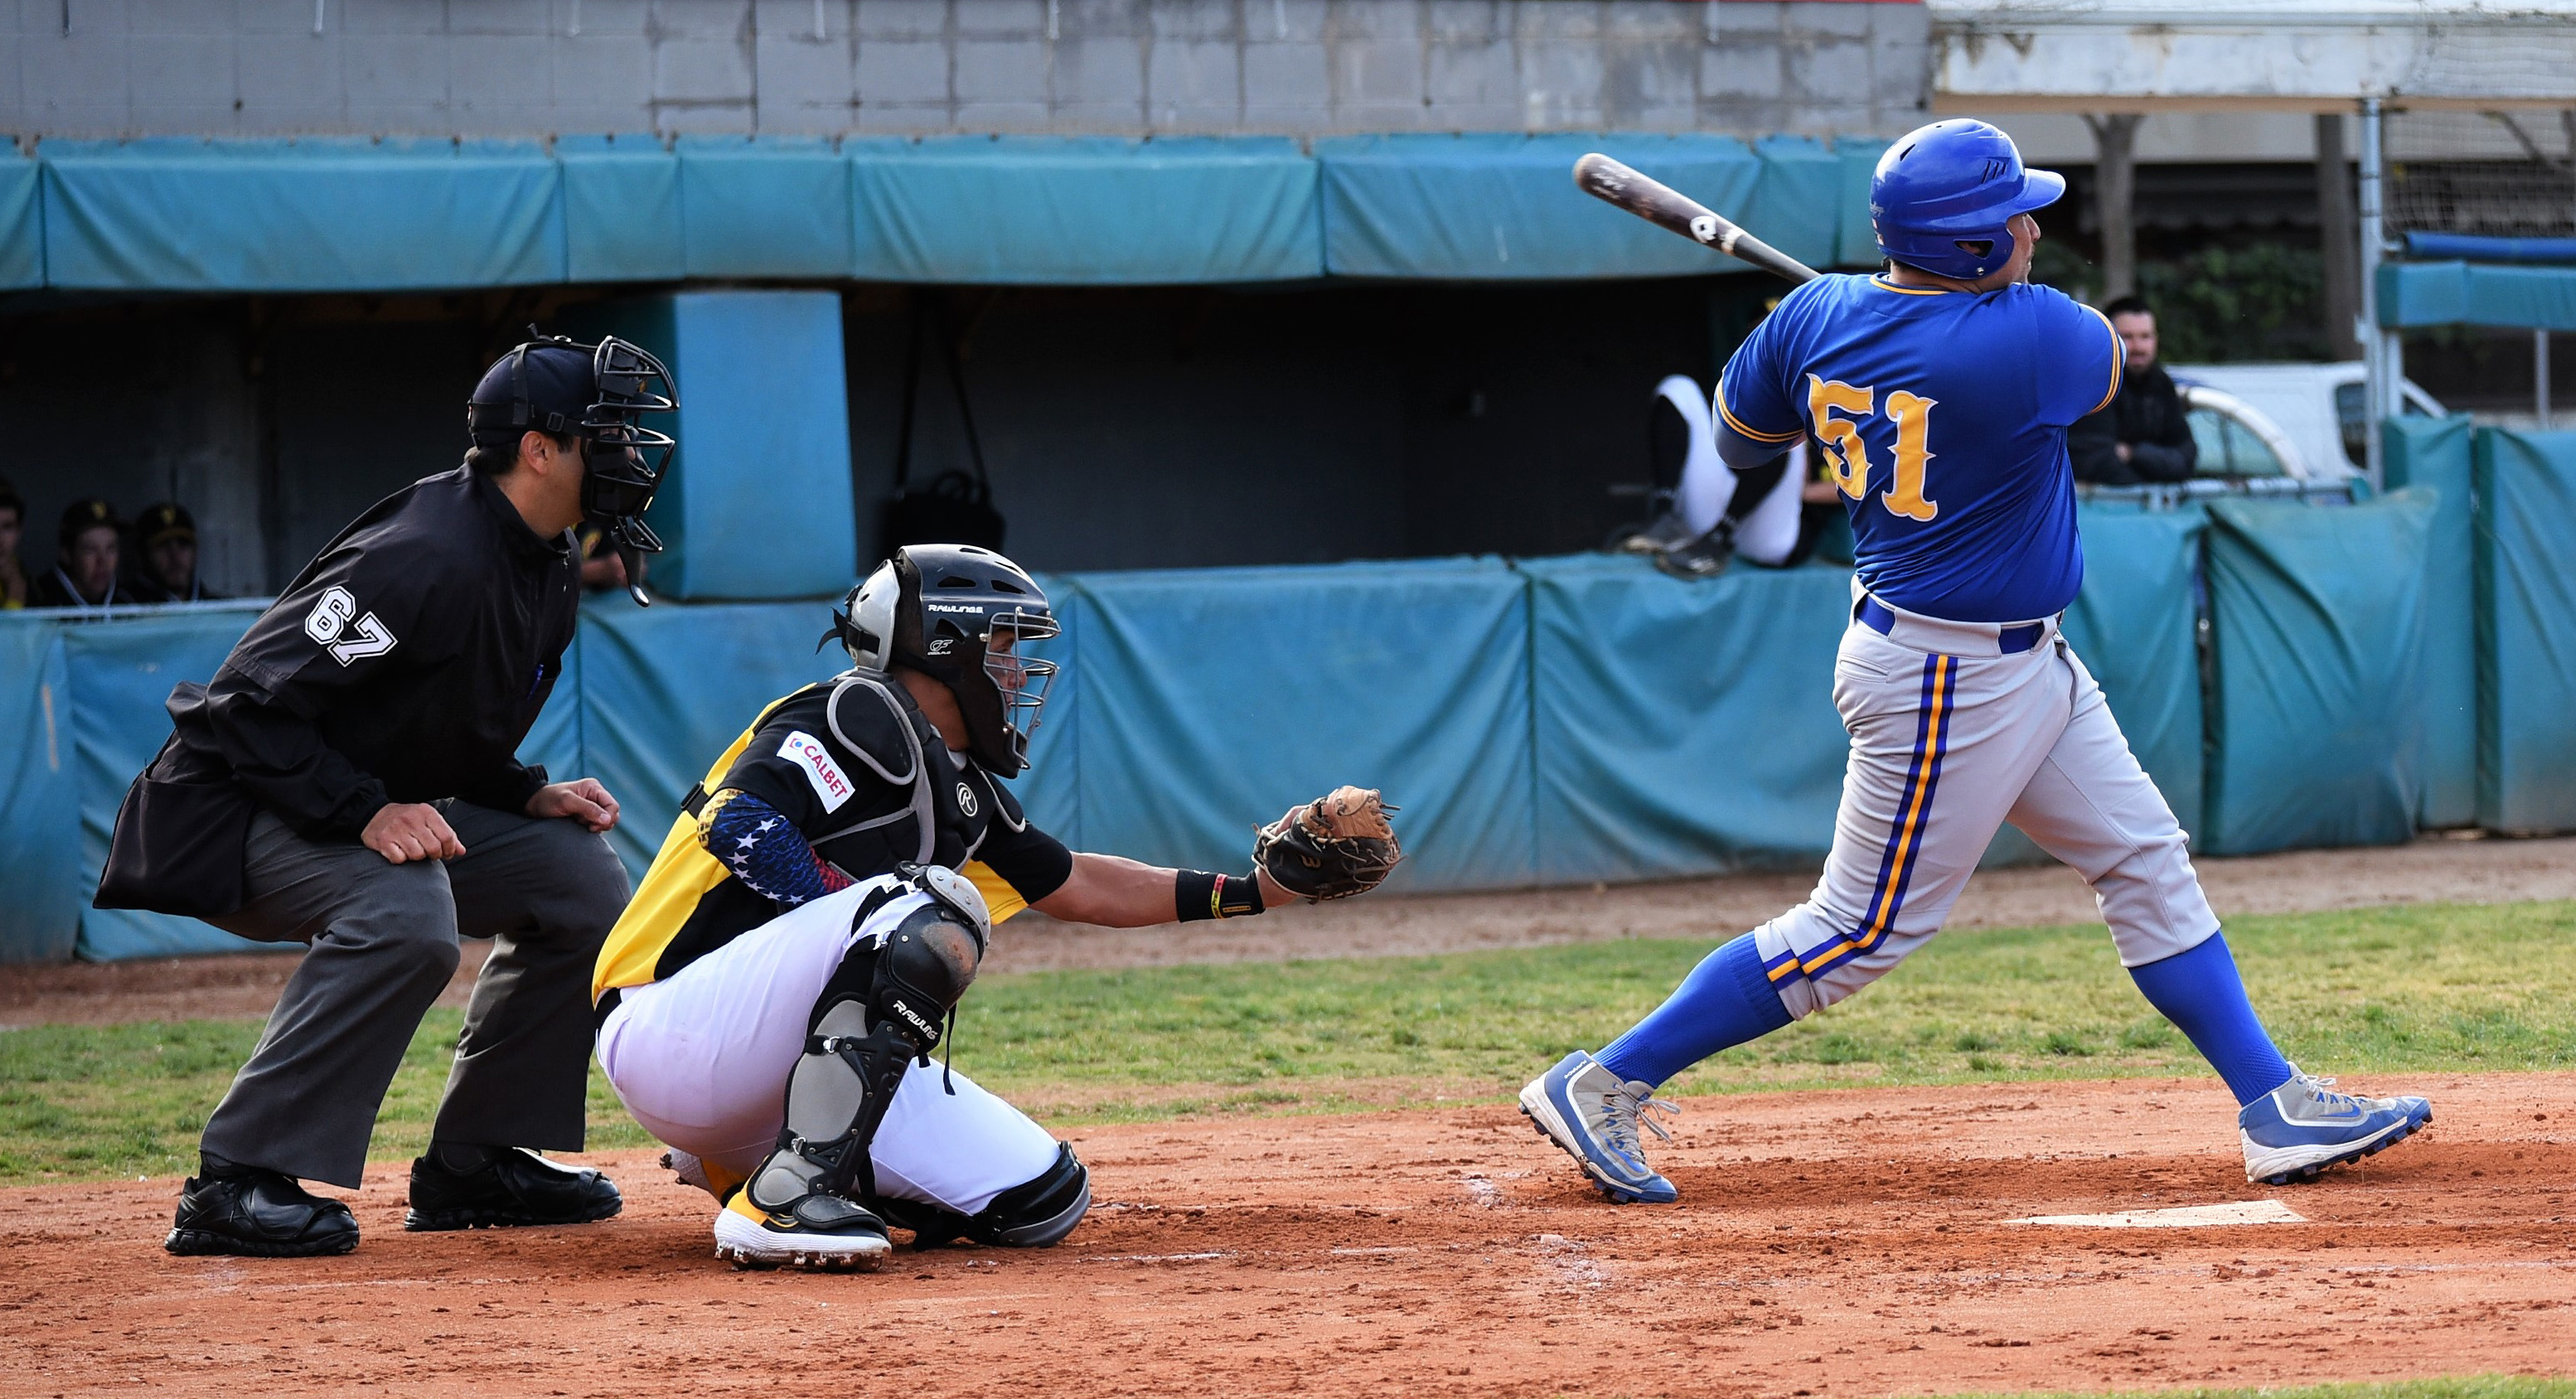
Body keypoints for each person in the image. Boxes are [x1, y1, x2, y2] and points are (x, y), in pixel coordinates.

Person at [1517, 119, 2430, 1206]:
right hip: (1947, 677)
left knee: (2143, 858)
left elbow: (1737, 446)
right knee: (1859, 930)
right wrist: (1900, 342)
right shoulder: (2032, 337)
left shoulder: (1814, 312)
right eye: (2011, 217)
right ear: (1964, 249)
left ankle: (2272, 1103)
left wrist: (1846, 343)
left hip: (2013, 661)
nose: (2033, 226)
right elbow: (2095, 378)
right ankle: (1609, 1080)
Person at [592, 544, 1400, 1271]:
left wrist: (1259, 891)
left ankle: (753, 1158)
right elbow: (741, 824)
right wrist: (865, 912)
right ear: (945, 646)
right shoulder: (852, 713)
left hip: (757, 1068)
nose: (1018, 671)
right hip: (668, 1021)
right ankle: (787, 1192)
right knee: (928, 907)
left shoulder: (958, 786)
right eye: (1005, 646)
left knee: (1041, 1196)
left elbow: (1081, 882)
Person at [94, 330, 681, 1258]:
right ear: (537, 449)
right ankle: (234, 1178)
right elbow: (247, 708)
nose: (630, 455)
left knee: (582, 881)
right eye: (604, 433)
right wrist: (364, 811)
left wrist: (521, 792)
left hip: (337, 797)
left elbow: (436, 720)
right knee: (406, 909)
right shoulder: (424, 552)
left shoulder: (551, 556)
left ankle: (473, 1161)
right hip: (225, 805)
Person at [1615, 375, 1809, 578]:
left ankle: (1718, 538)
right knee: (1678, 388)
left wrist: (1808, 490)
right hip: (1715, 515)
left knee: (1785, 416)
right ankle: (1666, 518)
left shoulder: (1830, 392)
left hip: (1767, 536)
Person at [2069, 294, 2197, 485]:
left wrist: (2132, 453)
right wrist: (2157, 477)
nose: (2138, 347)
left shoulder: (2162, 385)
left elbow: (2186, 458)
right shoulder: (2095, 387)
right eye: (2127, 337)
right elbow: (2096, 463)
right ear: (2109, 338)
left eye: (2145, 336)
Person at [32, 498, 125, 612]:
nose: (103, 561)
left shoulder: (129, 599)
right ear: (66, 553)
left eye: (111, 549)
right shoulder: (36, 599)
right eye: (90, 550)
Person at [124, 502, 224, 603]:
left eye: (183, 544)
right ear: (142, 555)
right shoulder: (124, 607)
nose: (175, 556)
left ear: (195, 550)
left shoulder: (222, 608)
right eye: (162, 546)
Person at [0, 479, 27, 609]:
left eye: (7, 527)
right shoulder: (17, 583)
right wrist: (15, 592)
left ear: (19, 531)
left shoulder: (31, 582)